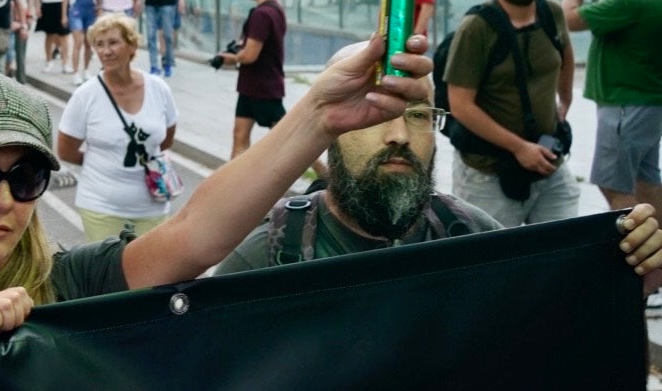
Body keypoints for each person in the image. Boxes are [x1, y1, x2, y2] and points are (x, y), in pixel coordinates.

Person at [0, 34, 438, 328]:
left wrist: (318, 117)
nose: (4, 200)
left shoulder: (74, 283)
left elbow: (197, 234)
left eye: (28, 176)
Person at [215, 41, 662, 279]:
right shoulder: (268, 257)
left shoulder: (471, 237)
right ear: (328, 134)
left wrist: (626, 259)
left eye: (418, 116)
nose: (398, 136)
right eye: (371, 116)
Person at [444, 0, 578, 226]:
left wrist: (564, 103)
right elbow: (461, 105)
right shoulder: (477, 28)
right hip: (488, 175)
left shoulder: (551, 12)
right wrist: (519, 148)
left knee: (563, 252)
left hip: (548, 164)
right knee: (490, 263)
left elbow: (566, 57)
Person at [561, 0, 662, 212]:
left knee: (613, 184)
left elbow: (565, 17)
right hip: (650, 104)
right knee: (646, 179)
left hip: (623, 106)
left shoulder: (631, 4)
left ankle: (639, 245)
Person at [56, 14, 178, 240]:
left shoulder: (158, 88)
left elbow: (167, 138)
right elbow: (65, 150)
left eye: (113, 42)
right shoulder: (86, 95)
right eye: (99, 45)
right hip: (101, 207)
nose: (106, 51)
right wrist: (102, 161)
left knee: (153, 273)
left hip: (152, 206)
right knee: (109, 274)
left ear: (132, 45)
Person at [210, 0, 288, 160]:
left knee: (290, 139)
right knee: (239, 135)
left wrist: (230, 58)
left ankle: (329, 178)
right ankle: (233, 183)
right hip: (253, 86)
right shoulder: (276, 9)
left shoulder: (262, 14)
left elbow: (250, 55)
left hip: (262, 87)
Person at [67, 0, 97, 83]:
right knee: (77, 42)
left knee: (88, 43)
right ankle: (75, 72)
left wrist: (99, 8)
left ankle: (86, 70)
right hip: (76, 10)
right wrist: (63, 15)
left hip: (90, 10)